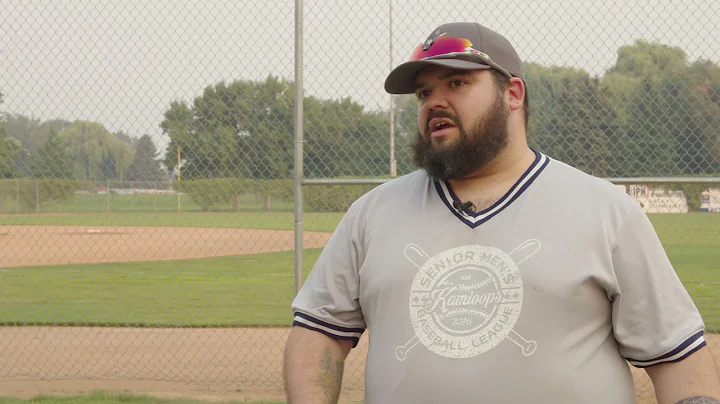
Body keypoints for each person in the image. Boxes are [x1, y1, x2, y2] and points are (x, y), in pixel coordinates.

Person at [282, 21, 720, 403]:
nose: (434, 102)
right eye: (423, 92)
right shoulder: (371, 214)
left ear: (512, 94)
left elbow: (676, 358)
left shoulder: (605, 212)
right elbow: (320, 330)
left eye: (457, 84)